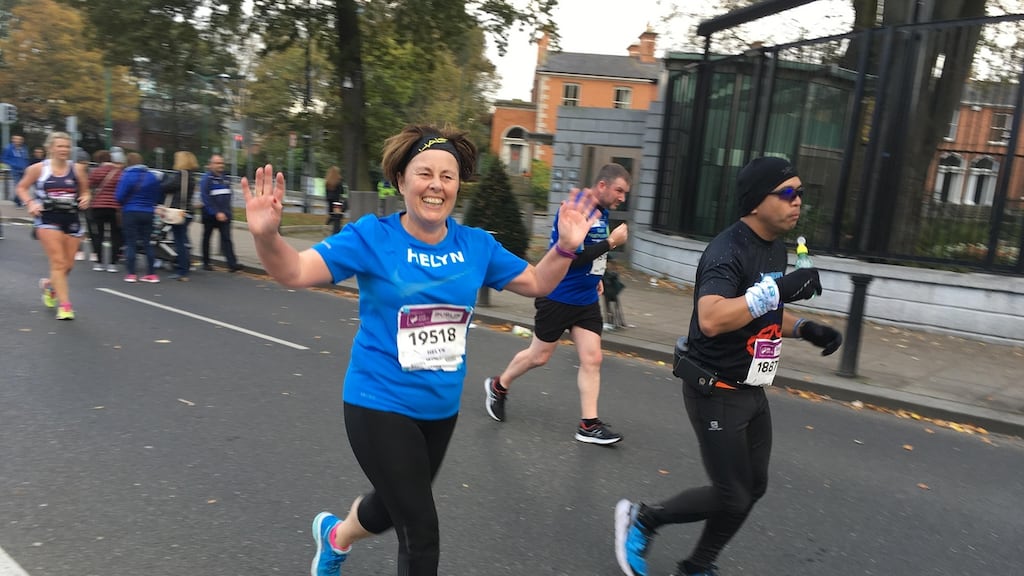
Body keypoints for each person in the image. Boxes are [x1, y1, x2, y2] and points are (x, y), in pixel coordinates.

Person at [241, 124, 599, 576]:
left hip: (440, 410)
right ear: (403, 180)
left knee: (393, 510)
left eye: (447, 176)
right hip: (378, 401)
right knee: (420, 528)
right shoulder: (372, 237)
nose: (436, 185)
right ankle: (340, 537)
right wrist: (268, 237)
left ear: (457, 186)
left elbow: (538, 283)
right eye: (425, 173)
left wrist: (566, 247)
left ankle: (335, 536)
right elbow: (293, 271)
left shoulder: (476, 246)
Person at [614, 156, 843, 576]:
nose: (798, 202)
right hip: (713, 388)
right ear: (757, 201)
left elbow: (760, 310)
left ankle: (697, 565)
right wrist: (780, 288)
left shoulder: (773, 246)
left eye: (801, 194)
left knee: (753, 487)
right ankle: (644, 518)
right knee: (731, 494)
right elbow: (713, 317)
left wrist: (806, 328)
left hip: (750, 387)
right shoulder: (727, 251)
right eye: (788, 193)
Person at [484, 163, 631, 445]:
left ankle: (588, 424)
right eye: (619, 190)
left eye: (625, 192)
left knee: (593, 358)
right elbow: (570, 256)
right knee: (538, 356)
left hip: (586, 299)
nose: (623, 197)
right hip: (558, 297)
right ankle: (498, 385)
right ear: (602, 185)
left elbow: (591, 251)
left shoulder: (601, 210)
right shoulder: (574, 211)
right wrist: (611, 243)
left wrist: (597, 275)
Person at [16, 131, 91, 320]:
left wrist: (85, 198)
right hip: (47, 219)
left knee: (68, 265)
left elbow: (85, 191)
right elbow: (21, 187)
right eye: (60, 146)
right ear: (51, 148)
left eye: (67, 146)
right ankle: (65, 306)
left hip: (72, 219)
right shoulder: (38, 169)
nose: (64, 150)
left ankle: (50, 286)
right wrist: (31, 203)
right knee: (58, 262)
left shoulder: (77, 169)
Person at [115, 152, 163, 283]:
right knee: (148, 243)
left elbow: (119, 196)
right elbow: (158, 196)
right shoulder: (152, 177)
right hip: (148, 212)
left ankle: (131, 274)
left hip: (130, 211)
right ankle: (151, 274)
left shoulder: (127, 176)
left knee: (131, 243)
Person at [160, 151, 200, 281]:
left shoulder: (180, 175)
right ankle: (186, 264)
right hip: (188, 211)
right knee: (184, 240)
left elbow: (166, 187)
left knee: (179, 242)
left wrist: (162, 182)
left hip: (178, 212)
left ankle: (182, 270)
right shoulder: (191, 176)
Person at [199, 153, 240, 272]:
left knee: (226, 238)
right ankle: (206, 262)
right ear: (210, 165)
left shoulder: (225, 178)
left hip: (225, 214)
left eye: (221, 163)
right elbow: (205, 198)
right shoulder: (206, 179)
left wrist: (227, 212)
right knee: (207, 238)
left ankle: (232, 264)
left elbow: (228, 194)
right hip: (210, 215)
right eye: (217, 163)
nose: (220, 165)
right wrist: (216, 212)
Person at [86, 149, 125, 272]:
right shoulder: (119, 173)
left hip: (98, 206)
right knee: (115, 235)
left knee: (98, 235)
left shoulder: (96, 172)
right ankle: (113, 263)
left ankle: (99, 262)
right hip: (115, 208)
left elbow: (88, 185)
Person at [4, 134, 29, 206]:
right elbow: (4, 159)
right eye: (16, 139)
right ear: (13, 140)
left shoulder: (24, 148)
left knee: (24, 185)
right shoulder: (8, 148)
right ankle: (18, 202)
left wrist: (26, 166)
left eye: (20, 139)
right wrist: (14, 164)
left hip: (24, 169)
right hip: (15, 170)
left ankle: (16, 199)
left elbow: (26, 158)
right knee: (18, 185)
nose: (18, 141)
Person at [324, 165, 346, 235]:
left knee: (333, 215)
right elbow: (342, 192)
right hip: (337, 202)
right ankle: (336, 232)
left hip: (330, 201)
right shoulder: (338, 181)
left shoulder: (327, 182)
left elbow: (326, 192)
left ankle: (328, 224)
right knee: (337, 218)